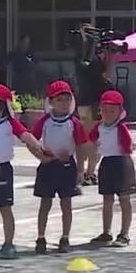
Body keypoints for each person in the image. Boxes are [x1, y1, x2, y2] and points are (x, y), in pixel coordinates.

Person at [0, 83, 45, 260]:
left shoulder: (11, 123)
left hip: (3, 170)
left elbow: (25, 136)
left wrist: (39, 146)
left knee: (5, 208)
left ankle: (8, 244)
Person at [31, 80, 88, 255]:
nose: (63, 104)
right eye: (59, 100)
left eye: (67, 100)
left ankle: (65, 237)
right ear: (51, 102)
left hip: (66, 166)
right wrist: (41, 156)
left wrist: (80, 169)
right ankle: (41, 237)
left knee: (66, 204)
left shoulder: (74, 122)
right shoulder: (45, 121)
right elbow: (31, 139)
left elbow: (81, 145)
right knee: (45, 203)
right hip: (48, 166)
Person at [88, 90, 136, 247]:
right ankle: (106, 232)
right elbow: (93, 145)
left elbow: (129, 146)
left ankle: (124, 233)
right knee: (107, 199)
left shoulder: (121, 128)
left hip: (122, 163)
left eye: (112, 110)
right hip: (106, 163)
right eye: (104, 110)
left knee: (124, 199)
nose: (108, 114)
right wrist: (90, 168)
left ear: (120, 112)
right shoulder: (99, 127)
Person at [74, 25, 117, 186]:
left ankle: (88, 172)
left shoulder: (83, 60)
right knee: (93, 141)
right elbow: (107, 75)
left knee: (92, 140)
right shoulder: (89, 62)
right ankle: (87, 172)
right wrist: (110, 56)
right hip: (92, 105)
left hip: (89, 103)